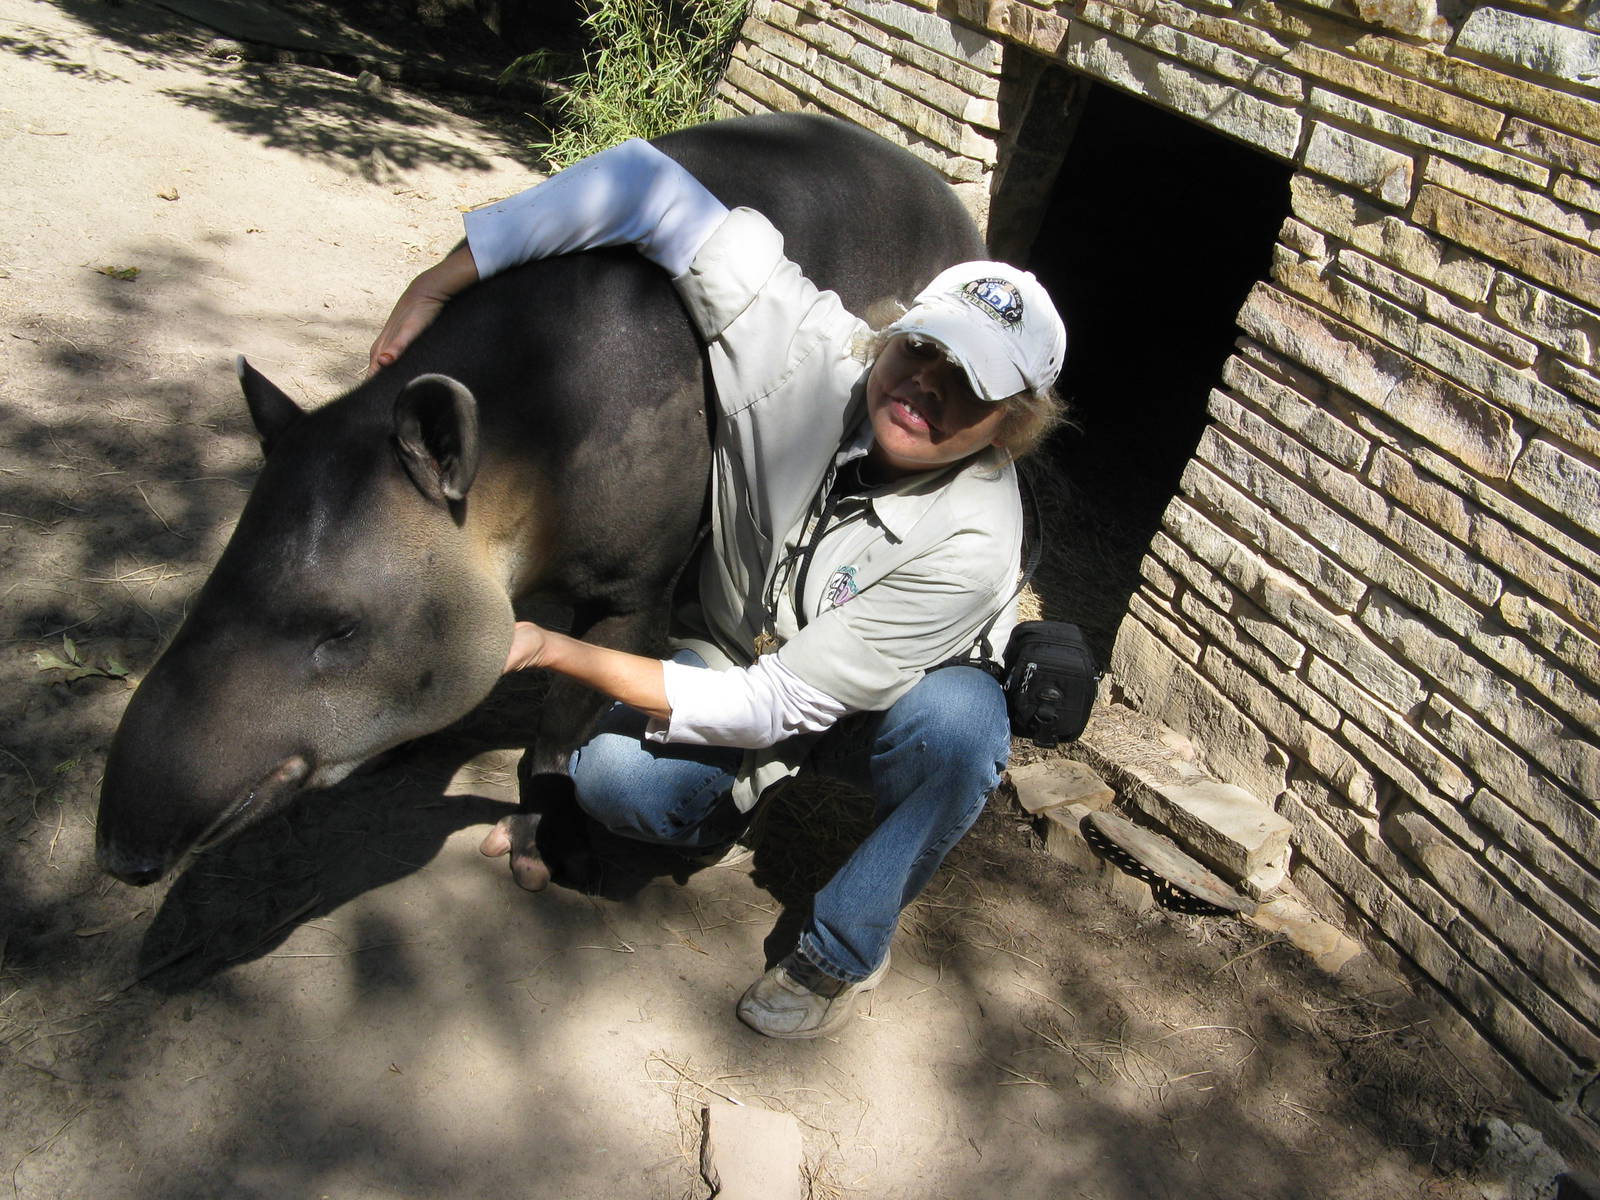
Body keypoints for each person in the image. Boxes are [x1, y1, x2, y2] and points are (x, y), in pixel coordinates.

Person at [370, 136, 1067, 1039]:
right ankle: (717, 811)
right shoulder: (809, 353)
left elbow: (773, 703)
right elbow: (646, 186)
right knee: (612, 779)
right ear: (891, 331)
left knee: (965, 732)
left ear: (1011, 426)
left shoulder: (976, 541)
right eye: (920, 350)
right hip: (741, 650)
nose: (923, 389)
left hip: (884, 711)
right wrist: (439, 279)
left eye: (967, 386)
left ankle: (843, 947)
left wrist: (548, 648)